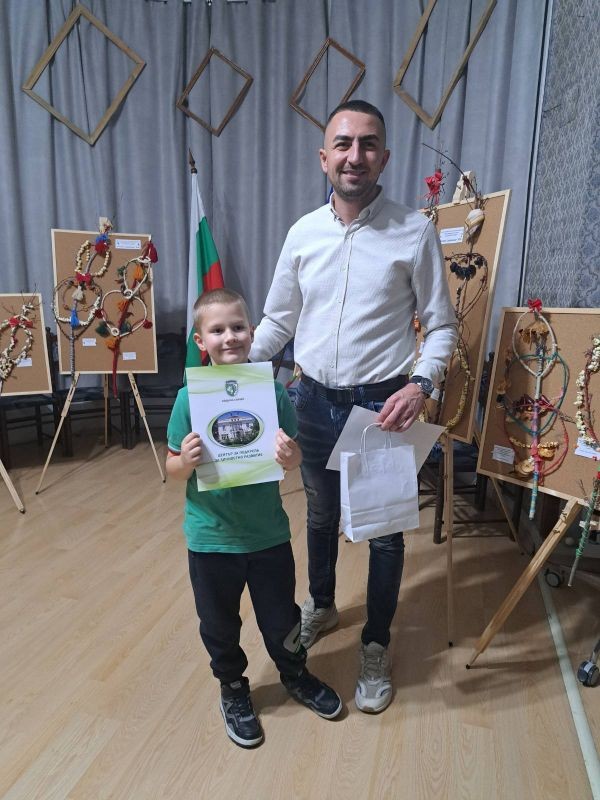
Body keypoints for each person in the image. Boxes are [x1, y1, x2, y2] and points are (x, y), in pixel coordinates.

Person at [250, 100, 458, 714]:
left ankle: (375, 643)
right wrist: (230, 367)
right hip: (311, 400)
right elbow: (278, 321)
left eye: (368, 144)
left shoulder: (414, 232)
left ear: (384, 158)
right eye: (343, 144)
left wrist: (420, 385)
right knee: (319, 516)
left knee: (385, 535)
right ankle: (322, 605)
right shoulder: (302, 234)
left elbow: (442, 327)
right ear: (324, 157)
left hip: (383, 407)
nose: (354, 156)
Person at [166, 287, 342, 748]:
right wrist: (185, 460)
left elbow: (293, 457)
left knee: (282, 618)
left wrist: (290, 455)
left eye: (238, 327)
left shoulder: (273, 394)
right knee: (219, 624)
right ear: (200, 340)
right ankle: (233, 687)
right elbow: (170, 468)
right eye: (217, 330)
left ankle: (295, 674)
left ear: (252, 332)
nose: (230, 337)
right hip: (211, 539)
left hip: (268, 536)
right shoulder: (189, 399)